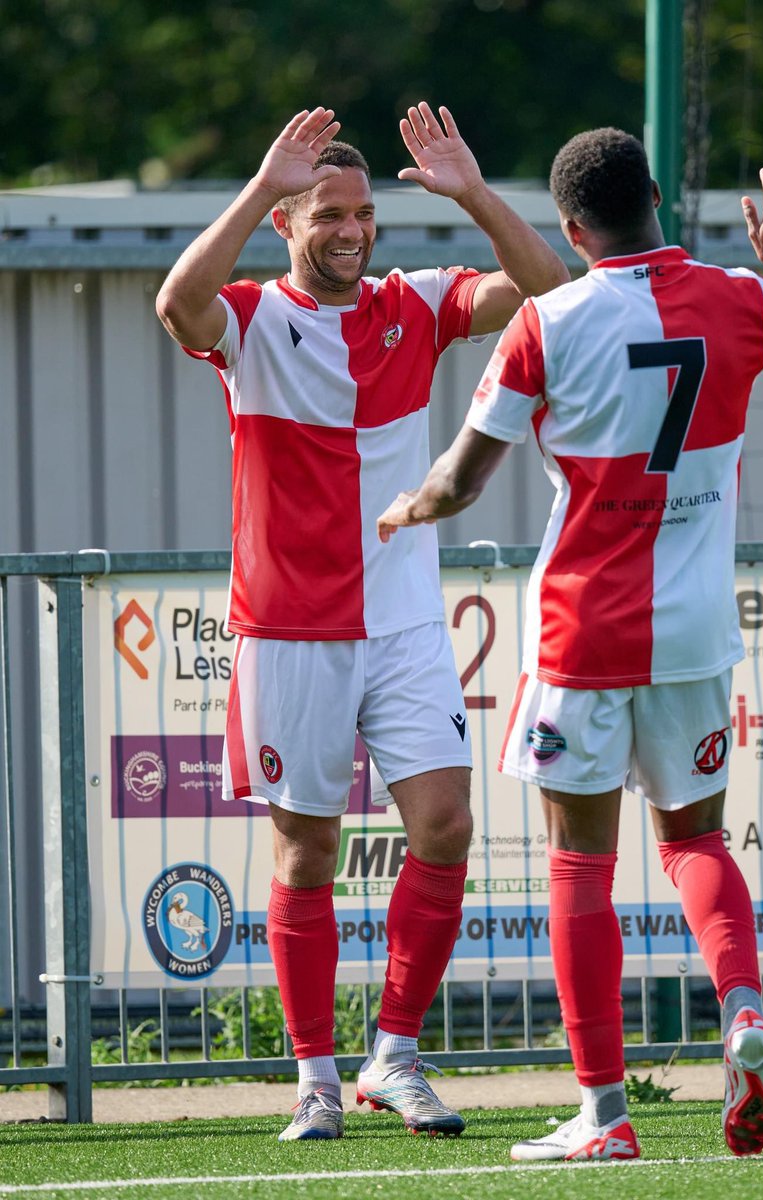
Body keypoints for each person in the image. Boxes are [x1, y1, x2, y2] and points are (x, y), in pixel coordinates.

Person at [377, 128, 763, 1162]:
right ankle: (741, 1013)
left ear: (570, 228)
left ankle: (604, 1113)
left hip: (582, 634)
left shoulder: (547, 323)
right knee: (695, 843)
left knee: (579, 868)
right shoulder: (743, 298)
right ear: (655, 196)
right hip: (693, 633)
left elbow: (462, 477)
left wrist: (415, 504)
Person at [156, 103, 568, 1143]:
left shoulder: (412, 305)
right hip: (289, 630)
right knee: (307, 855)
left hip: (404, 628)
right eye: (331, 215)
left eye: (366, 216)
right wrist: (258, 186)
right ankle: (316, 1081)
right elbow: (176, 304)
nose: (354, 231)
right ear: (291, 224)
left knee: (447, 825)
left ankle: (395, 1053)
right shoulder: (249, 319)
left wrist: (473, 193)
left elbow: (551, 292)